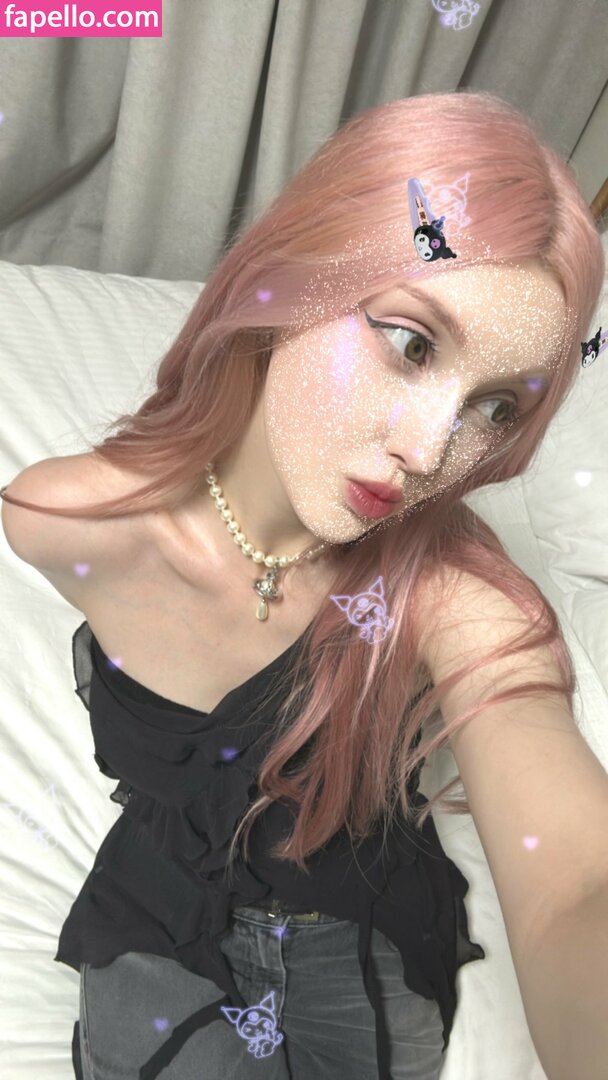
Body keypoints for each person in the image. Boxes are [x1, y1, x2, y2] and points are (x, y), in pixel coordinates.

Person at [0, 90, 604, 1080]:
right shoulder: (62, 520)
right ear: (291, 275)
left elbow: (577, 881)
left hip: (354, 930)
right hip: (154, 912)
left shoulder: (454, 595)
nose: (428, 452)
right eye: (411, 343)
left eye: (494, 408)